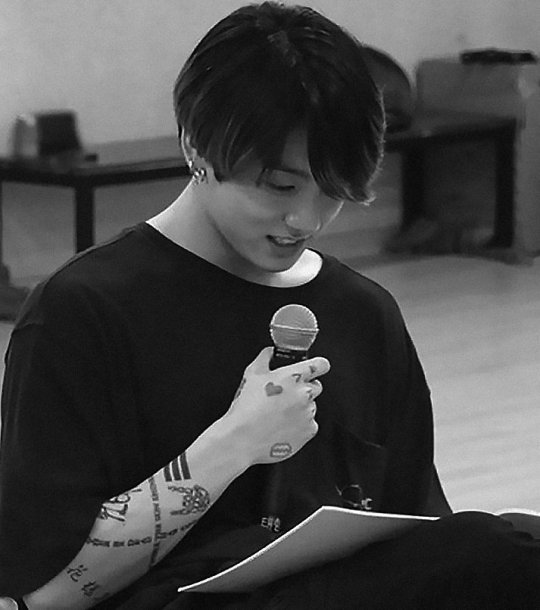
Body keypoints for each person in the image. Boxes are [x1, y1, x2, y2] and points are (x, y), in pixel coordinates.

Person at [1, 2, 539, 608]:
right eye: (280, 187)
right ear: (195, 146)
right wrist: (232, 444)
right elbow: (44, 595)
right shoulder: (83, 311)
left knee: (502, 551)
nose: (304, 220)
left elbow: (415, 532)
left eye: (332, 190)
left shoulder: (364, 314)